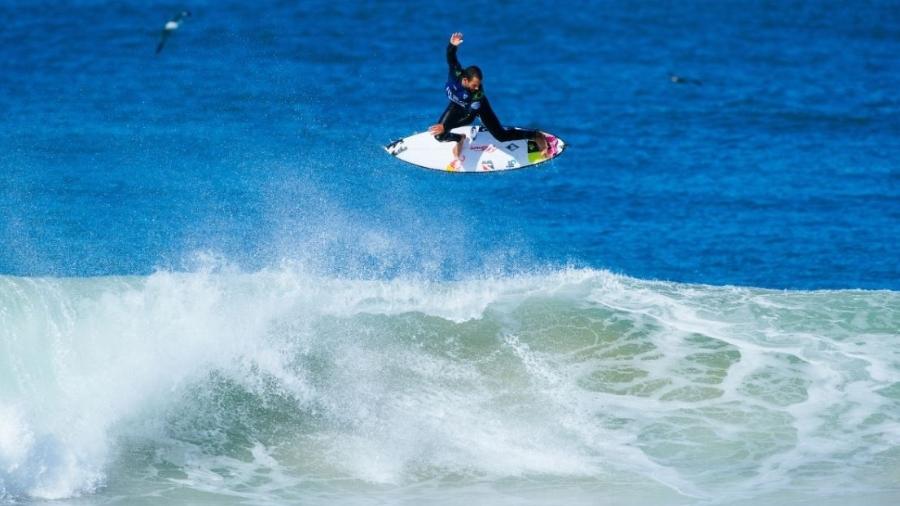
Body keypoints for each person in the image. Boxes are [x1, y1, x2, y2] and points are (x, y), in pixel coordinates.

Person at [428, 32, 551, 165]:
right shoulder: (455, 73)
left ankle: (535, 135)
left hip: (479, 109)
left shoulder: (477, 95)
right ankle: (459, 139)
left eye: (478, 85)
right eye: (474, 85)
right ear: (465, 79)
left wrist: (445, 126)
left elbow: (469, 118)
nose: (477, 88)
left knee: (501, 136)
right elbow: (450, 56)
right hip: (457, 105)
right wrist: (452, 45)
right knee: (439, 136)